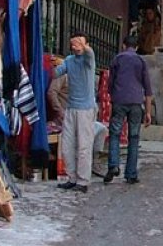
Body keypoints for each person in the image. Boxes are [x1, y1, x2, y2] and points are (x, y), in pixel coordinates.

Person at [106, 35, 153, 184]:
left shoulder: (117, 59)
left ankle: (113, 165)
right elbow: (148, 89)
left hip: (119, 101)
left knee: (115, 134)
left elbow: (110, 83)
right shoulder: (141, 61)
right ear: (137, 47)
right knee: (133, 138)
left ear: (123, 45)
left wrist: (114, 95)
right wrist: (148, 113)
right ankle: (131, 173)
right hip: (136, 103)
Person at [54, 32, 96, 193]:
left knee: (84, 146)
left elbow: (90, 54)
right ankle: (71, 178)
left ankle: (83, 181)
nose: (76, 46)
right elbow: (57, 72)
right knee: (67, 145)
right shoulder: (69, 61)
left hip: (86, 108)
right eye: (73, 43)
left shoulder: (88, 60)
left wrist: (84, 47)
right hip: (71, 108)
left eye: (79, 43)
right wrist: (54, 65)